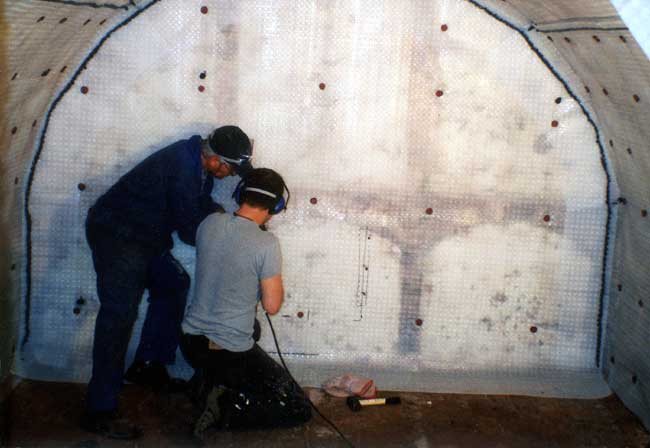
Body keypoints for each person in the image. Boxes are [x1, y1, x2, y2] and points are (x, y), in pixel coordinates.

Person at [81, 126, 253, 439]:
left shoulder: (198, 165)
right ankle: (99, 409)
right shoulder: (181, 167)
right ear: (216, 161)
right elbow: (189, 229)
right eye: (231, 168)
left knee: (174, 284)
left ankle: (149, 365)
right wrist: (230, 238)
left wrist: (227, 220)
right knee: (118, 316)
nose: (230, 175)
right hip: (117, 234)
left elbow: (199, 206)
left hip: (145, 236)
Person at [180, 168, 311, 436]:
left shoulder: (209, 223)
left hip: (191, 342)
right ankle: (221, 409)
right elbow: (272, 306)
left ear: (241, 193)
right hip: (228, 352)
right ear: (276, 206)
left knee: (253, 329)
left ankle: (208, 382)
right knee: (298, 408)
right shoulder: (267, 243)